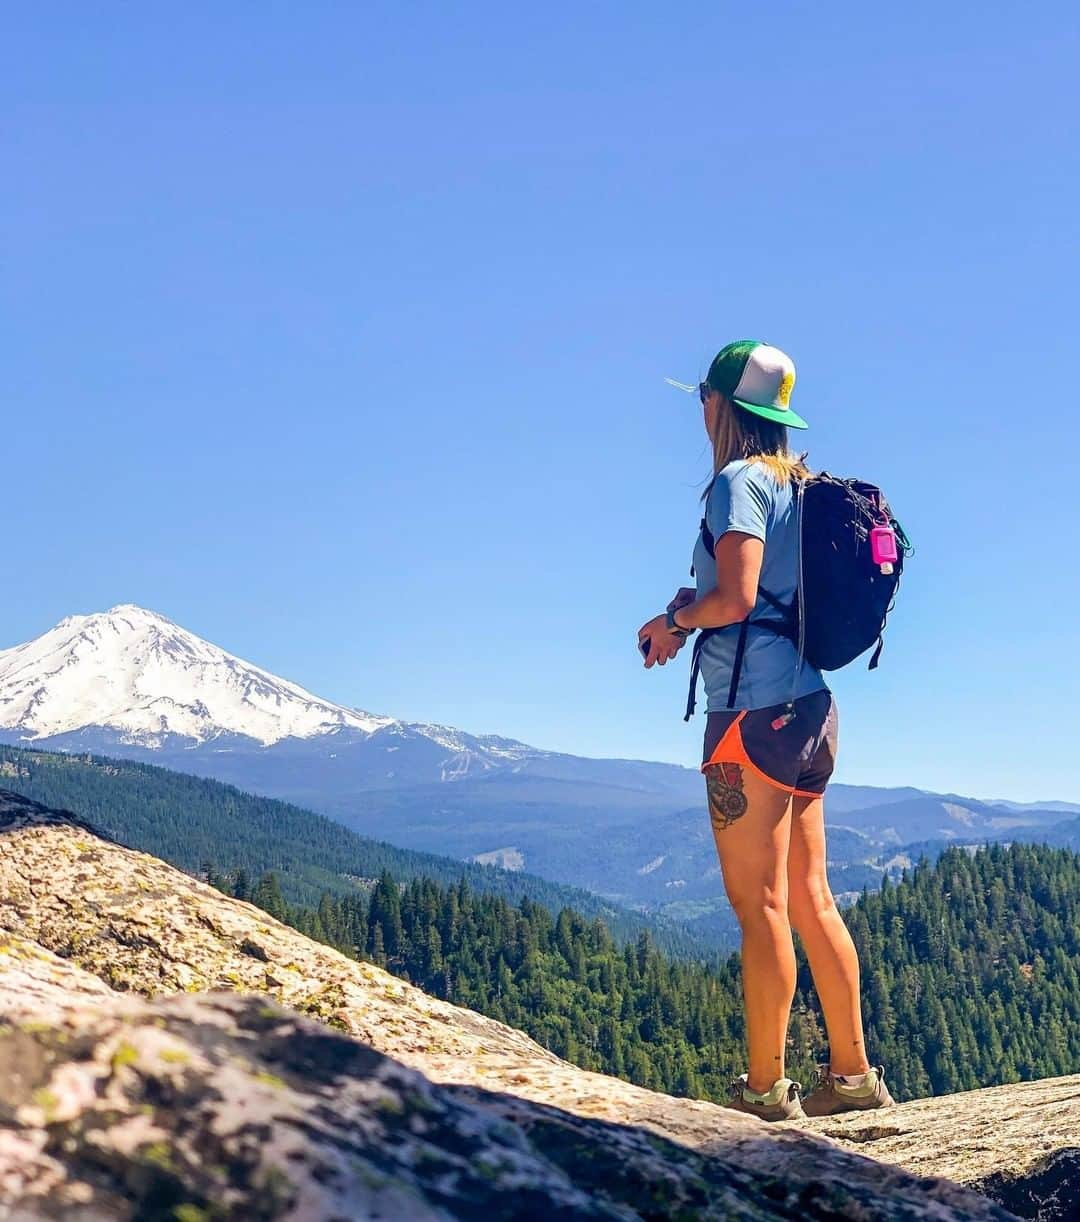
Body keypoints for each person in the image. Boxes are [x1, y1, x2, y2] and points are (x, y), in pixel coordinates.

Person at [637, 340, 895, 1122]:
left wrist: (673, 619)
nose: (701, 414)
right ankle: (852, 1080)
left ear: (721, 407)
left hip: (751, 720)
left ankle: (763, 1093)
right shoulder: (797, 484)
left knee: (761, 909)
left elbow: (740, 597)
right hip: (812, 713)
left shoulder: (737, 484)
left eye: (703, 401)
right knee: (814, 897)